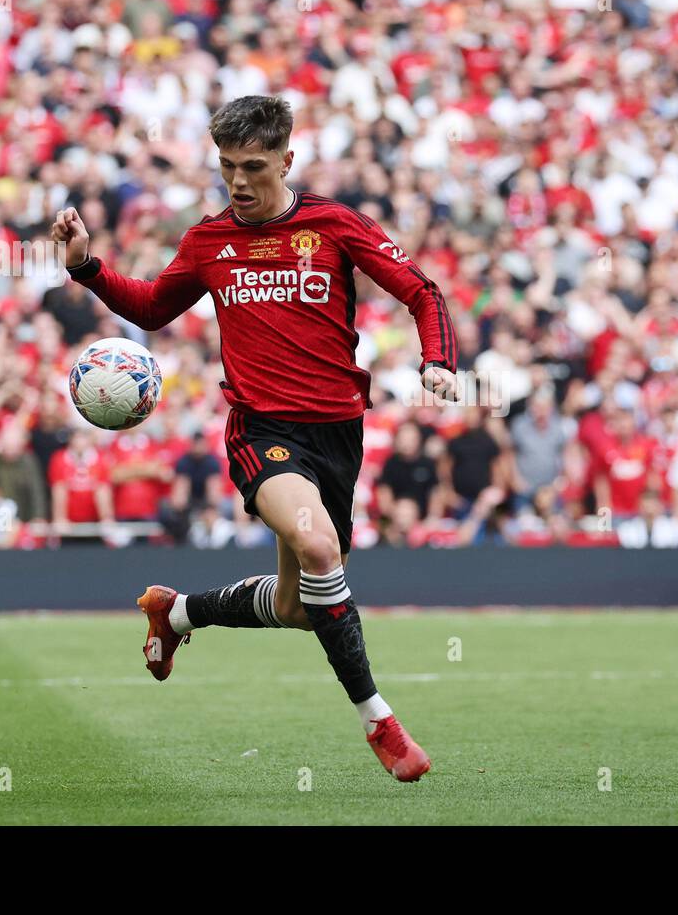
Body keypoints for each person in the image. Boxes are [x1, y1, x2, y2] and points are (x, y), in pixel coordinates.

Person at [51, 95, 457, 783]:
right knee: (320, 545)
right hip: (260, 432)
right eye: (227, 167)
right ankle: (378, 720)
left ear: (286, 160)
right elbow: (152, 305)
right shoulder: (209, 242)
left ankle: (175, 612)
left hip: (337, 435)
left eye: (253, 167)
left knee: (303, 606)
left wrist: (438, 361)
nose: (237, 182)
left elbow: (423, 292)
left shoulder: (333, 225)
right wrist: (88, 268)